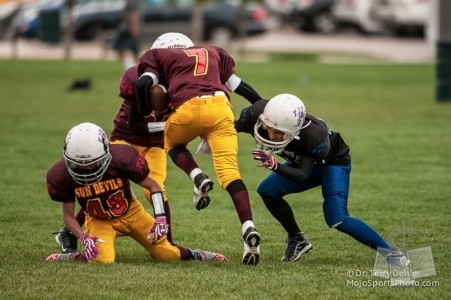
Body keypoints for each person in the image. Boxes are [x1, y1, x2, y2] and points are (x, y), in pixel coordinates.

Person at [53, 34, 195, 254]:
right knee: (103, 181)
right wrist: (175, 126)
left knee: (155, 189)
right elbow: (137, 125)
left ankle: (168, 241)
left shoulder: (188, 82)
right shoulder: (139, 78)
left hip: (156, 142)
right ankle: (70, 231)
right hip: (127, 135)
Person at [234, 94, 410, 266]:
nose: (272, 136)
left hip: (332, 164)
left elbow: (303, 175)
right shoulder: (256, 115)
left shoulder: (313, 136)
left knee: (337, 217)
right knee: (267, 190)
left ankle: (391, 253)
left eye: (279, 132)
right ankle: (297, 239)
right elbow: (226, 127)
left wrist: (275, 165)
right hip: (302, 162)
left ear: (294, 131)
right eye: (269, 127)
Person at [134, 32, 263, 265]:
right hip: (221, 108)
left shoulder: (159, 55)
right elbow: (239, 86)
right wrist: (262, 104)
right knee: (231, 174)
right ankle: (248, 228)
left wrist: (147, 113)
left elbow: (143, 84)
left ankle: (197, 176)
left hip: (188, 109)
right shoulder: (213, 51)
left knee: (172, 143)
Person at [46, 122, 227, 263]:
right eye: (78, 164)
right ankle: (72, 257)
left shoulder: (122, 159)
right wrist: (83, 237)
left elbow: (153, 186)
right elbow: (68, 216)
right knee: (102, 259)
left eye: (91, 163)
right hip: (99, 220)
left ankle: (197, 254)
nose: (85, 170)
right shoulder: (61, 175)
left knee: (166, 254)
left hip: (132, 213)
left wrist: (160, 218)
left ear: (105, 154)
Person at [112, 0, 142, 69]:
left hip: (128, 30)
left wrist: (133, 28)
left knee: (121, 50)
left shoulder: (132, 2)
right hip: (130, 29)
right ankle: (136, 69)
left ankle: (131, 69)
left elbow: (133, 15)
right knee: (135, 52)